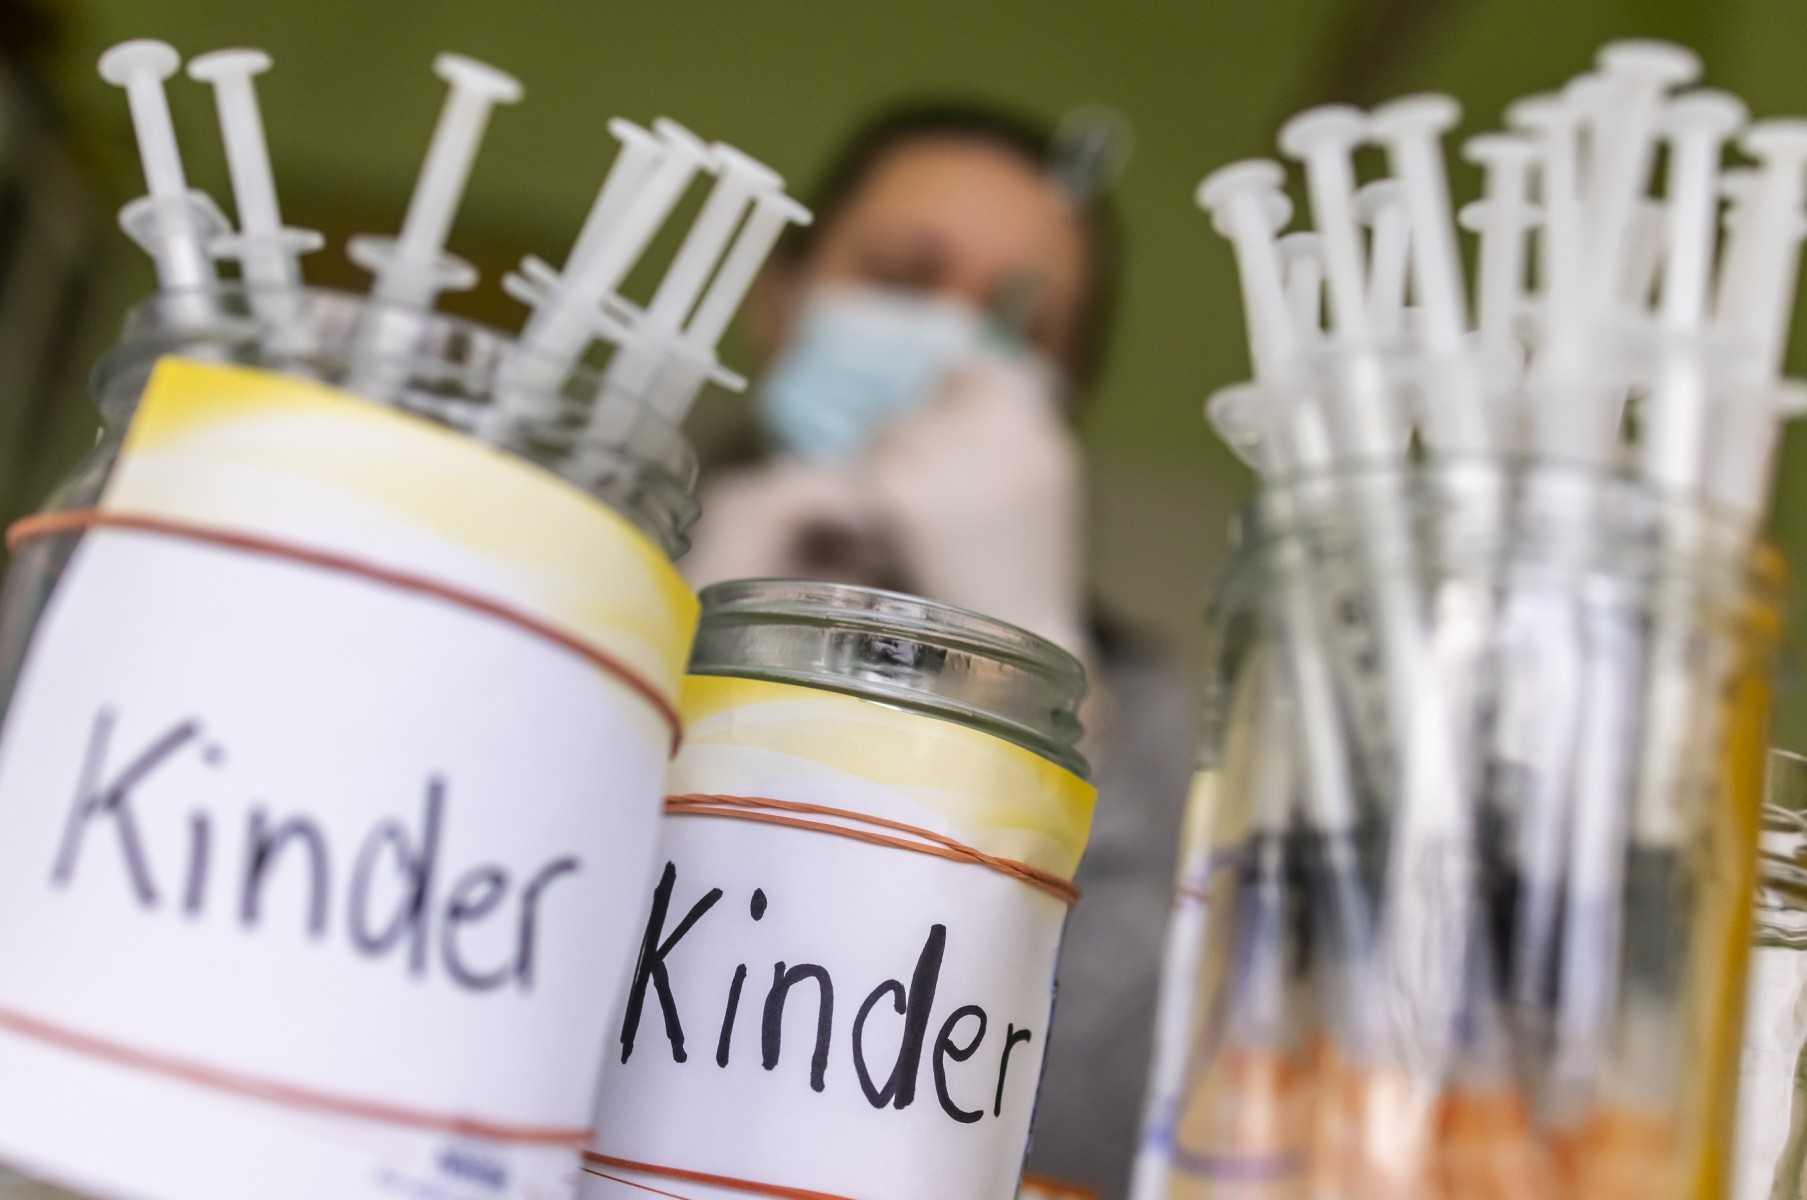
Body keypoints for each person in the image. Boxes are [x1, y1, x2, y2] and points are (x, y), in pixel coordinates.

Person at [681, 100, 1195, 1194]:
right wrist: (662, 660)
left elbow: (1124, 1127)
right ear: (780, 298)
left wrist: (1047, 691)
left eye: (1020, 324)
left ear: (1065, 397)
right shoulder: (598, 563)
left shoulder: (1142, 719)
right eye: (903, 278)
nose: (955, 346)